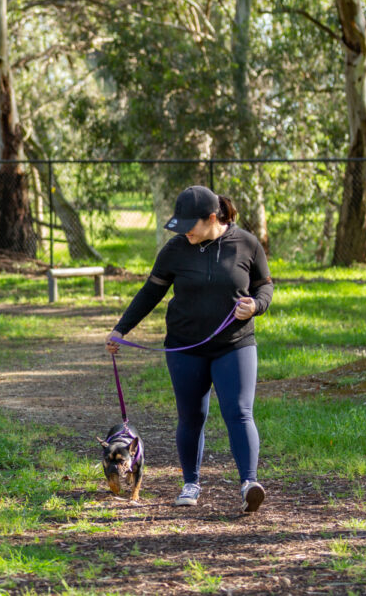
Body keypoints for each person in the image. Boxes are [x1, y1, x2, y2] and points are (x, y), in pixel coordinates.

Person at [106, 185, 274, 512]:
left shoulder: (246, 243)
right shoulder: (175, 250)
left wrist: (256, 305)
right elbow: (149, 293)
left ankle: (249, 483)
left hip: (234, 344)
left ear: (212, 218)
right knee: (191, 416)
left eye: (190, 226)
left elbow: (264, 286)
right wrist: (121, 329)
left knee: (239, 412)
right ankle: (191, 483)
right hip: (185, 347)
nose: (185, 233)